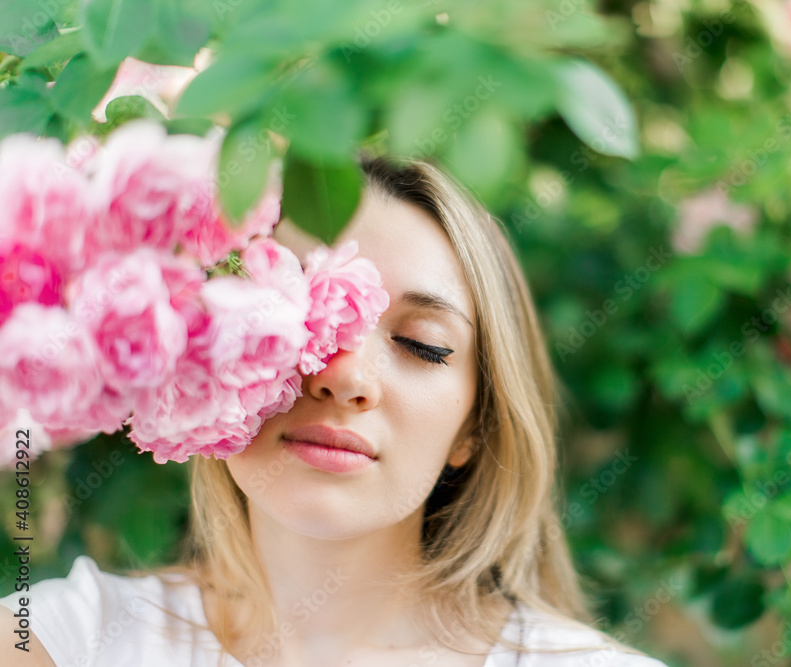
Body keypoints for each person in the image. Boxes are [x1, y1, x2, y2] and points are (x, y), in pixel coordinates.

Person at [1, 154, 669, 666]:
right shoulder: (63, 642)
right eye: (297, 309)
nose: (346, 375)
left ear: (474, 426)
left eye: (423, 345)